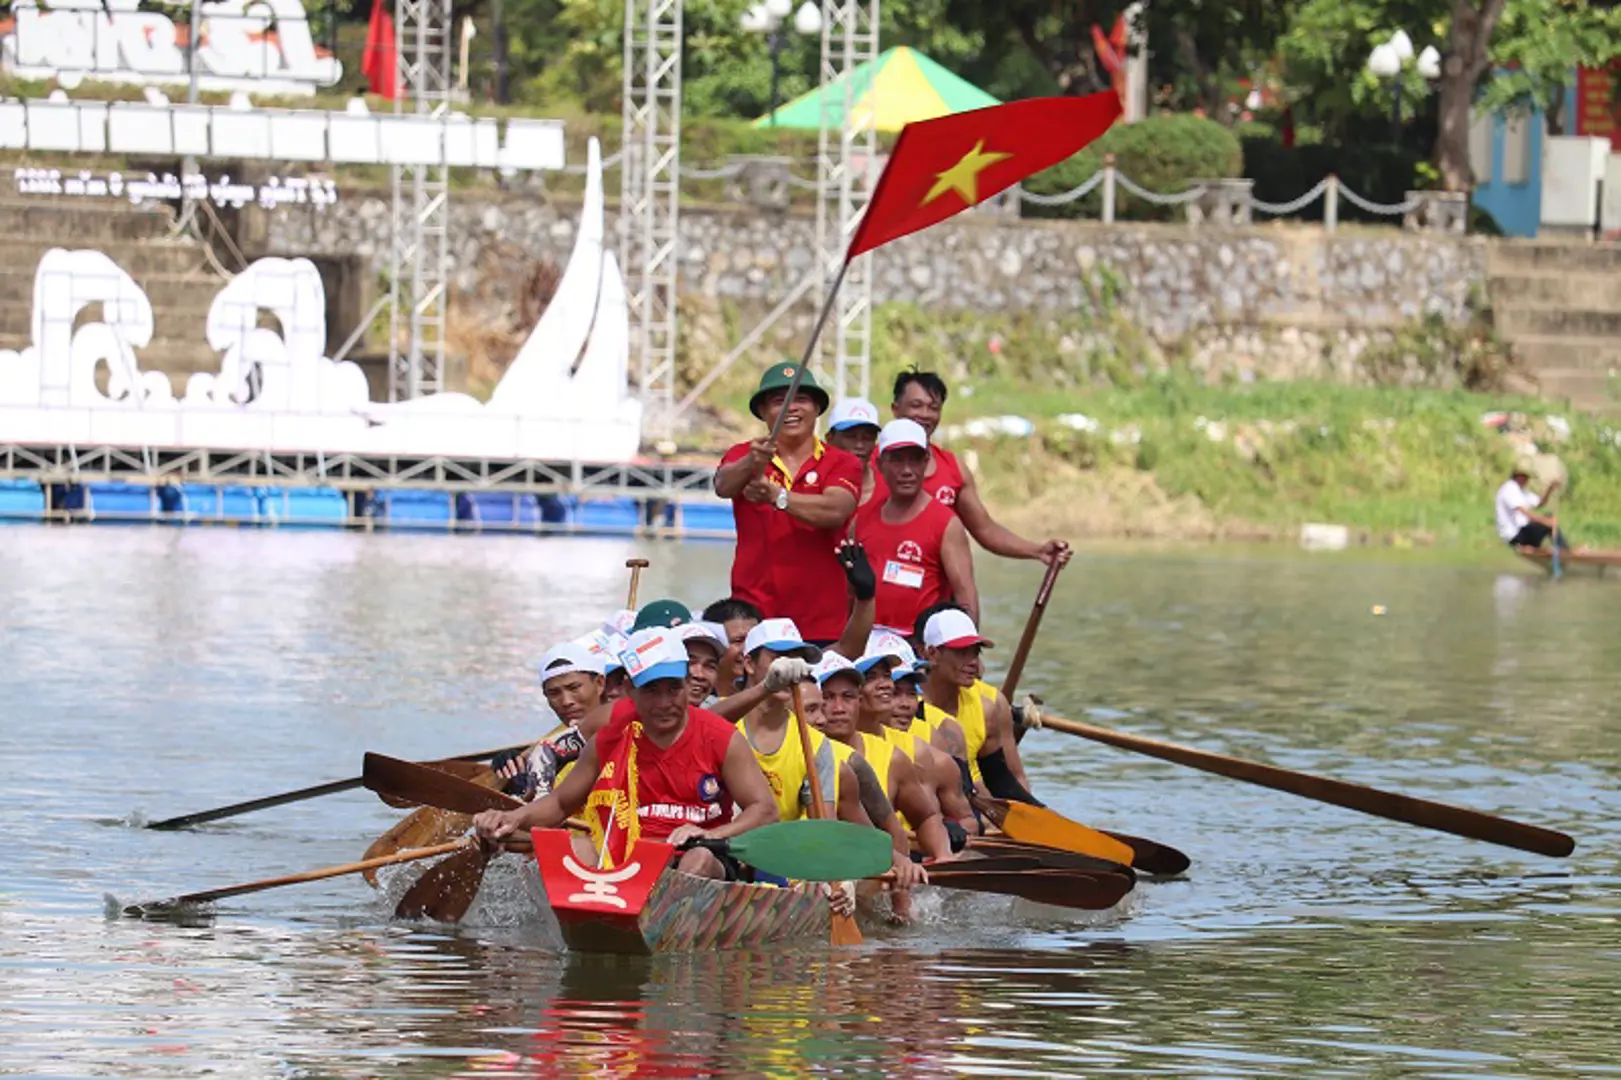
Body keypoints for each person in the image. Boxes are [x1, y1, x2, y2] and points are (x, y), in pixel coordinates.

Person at [473, 629, 779, 879]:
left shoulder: (722, 737)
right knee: (572, 853)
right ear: (631, 690)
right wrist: (511, 817)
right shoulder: (611, 736)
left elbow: (764, 810)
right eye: (651, 691)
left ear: (687, 684)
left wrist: (711, 834)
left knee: (697, 861)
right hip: (625, 853)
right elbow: (560, 802)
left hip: (696, 854)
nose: (663, 702)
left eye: (672, 688)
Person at [714, 363, 862, 643]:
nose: (791, 408)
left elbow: (835, 510)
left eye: (801, 399)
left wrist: (776, 496)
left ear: (817, 408)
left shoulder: (843, 461)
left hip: (822, 625)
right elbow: (723, 485)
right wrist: (750, 463)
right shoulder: (743, 453)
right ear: (763, 412)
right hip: (754, 623)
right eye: (779, 401)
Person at [888, 370, 1071, 567]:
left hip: (938, 596)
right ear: (895, 409)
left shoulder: (953, 469)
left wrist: (1038, 551)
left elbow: (985, 530)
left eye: (933, 408)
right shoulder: (868, 465)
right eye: (916, 406)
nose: (924, 415)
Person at [855, 418, 978, 633]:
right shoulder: (861, 520)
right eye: (897, 460)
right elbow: (848, 594)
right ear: (879, 464)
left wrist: (968, 653)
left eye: (915, 460)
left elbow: (965, 597)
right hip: (867, 648)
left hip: (918, 651)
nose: (907, 470)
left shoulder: (946, 524)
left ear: (926, 462)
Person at [917, 606, 1039, 805]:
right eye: (961, 652)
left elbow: (1000, 781)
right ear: (932, 654)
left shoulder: (986, 709)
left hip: (968, 806)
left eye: (975, 652)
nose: (973, 662)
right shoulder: (906, 709)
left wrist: (1040, 815)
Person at [1496, 461, 1569, 551]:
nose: (1527, 480)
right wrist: (1546, 522)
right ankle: (1563, 550)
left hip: (1523, 531)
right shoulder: (1510, 488)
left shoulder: (1522, 491)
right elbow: (1524, 512)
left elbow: (1540, 503)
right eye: (1525, 477)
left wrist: (1550, 489)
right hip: (1514, 535)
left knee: (1549, 517)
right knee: (1548, 522)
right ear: (1519, 475)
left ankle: (1561, 549)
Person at [824, 397, 883, 508]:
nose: (859, 445)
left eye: (867, 437)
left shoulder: (889, 487)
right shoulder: (813, 484)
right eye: (851, 437)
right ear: (829, 438)